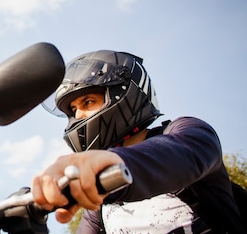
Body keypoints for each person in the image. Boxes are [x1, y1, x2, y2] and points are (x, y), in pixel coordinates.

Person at [32, 50, 245, 233]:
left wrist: (109, 163)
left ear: (127, 94)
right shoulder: (97, 203)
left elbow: (178, 155)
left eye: (88, 102)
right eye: (73, 110)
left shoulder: (186, 131)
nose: (78, 116)